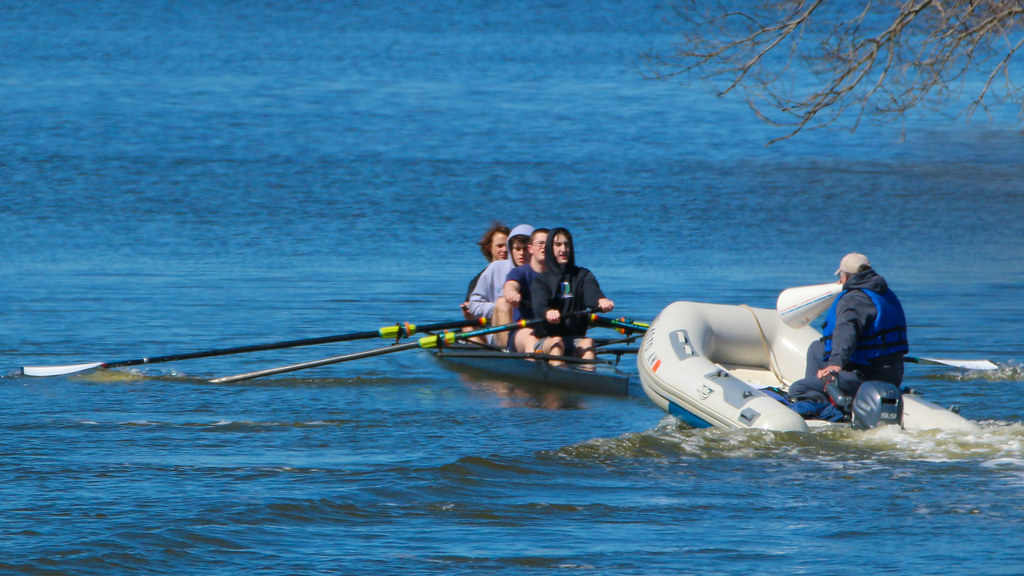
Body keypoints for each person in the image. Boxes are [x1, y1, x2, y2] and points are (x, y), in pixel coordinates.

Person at [788, 253, 909, 408]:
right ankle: (826, 392)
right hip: (889, 371)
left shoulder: (854, 299)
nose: (838, 280)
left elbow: (846, 332)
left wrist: (835, 364)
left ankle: (826, 407)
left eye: (840, 275)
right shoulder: (881, 292)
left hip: (868, 377)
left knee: (799, 388)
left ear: (846, 277)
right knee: (816, 348)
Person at [531, 227, 614, 366]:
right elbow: (539, 305)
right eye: (558, 245)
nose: (563, 249)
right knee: (556, 343)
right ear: (550, 249)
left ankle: (588, 380)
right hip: (546, 340)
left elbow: (592, 293)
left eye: (567, 244)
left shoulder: (583, 275)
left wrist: (601, 300)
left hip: (575, 339)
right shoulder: (541, 280)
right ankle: (557, 384)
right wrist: (547, 312)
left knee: (588, 342)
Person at [467, 224, 534, 347]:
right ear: (511, 250)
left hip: (531, 331)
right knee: (503, 304)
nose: (522, 254)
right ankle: (507, 352)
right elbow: (473, 305)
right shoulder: (496, 268)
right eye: (517, 249)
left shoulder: (542, 272)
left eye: (525, 249)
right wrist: (502, 310)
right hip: (498, 332)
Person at [503, 228, 548, 353]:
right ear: (531, 248)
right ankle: (534, 369)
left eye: (547, 244)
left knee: (587, 343)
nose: (543, 248)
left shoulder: (561, 276)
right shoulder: (521, 272)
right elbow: (510, 285)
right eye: (540, 244)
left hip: (551, 331)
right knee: (532, 339)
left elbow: (568, 294)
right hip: (523, 331)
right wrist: (511, 293)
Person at [461, 223, 509, 319]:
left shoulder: (520, 272)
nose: (504, 249)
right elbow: (471, 312)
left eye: (507, 245)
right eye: (499, 246)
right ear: (489, 248)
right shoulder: (478, 280)